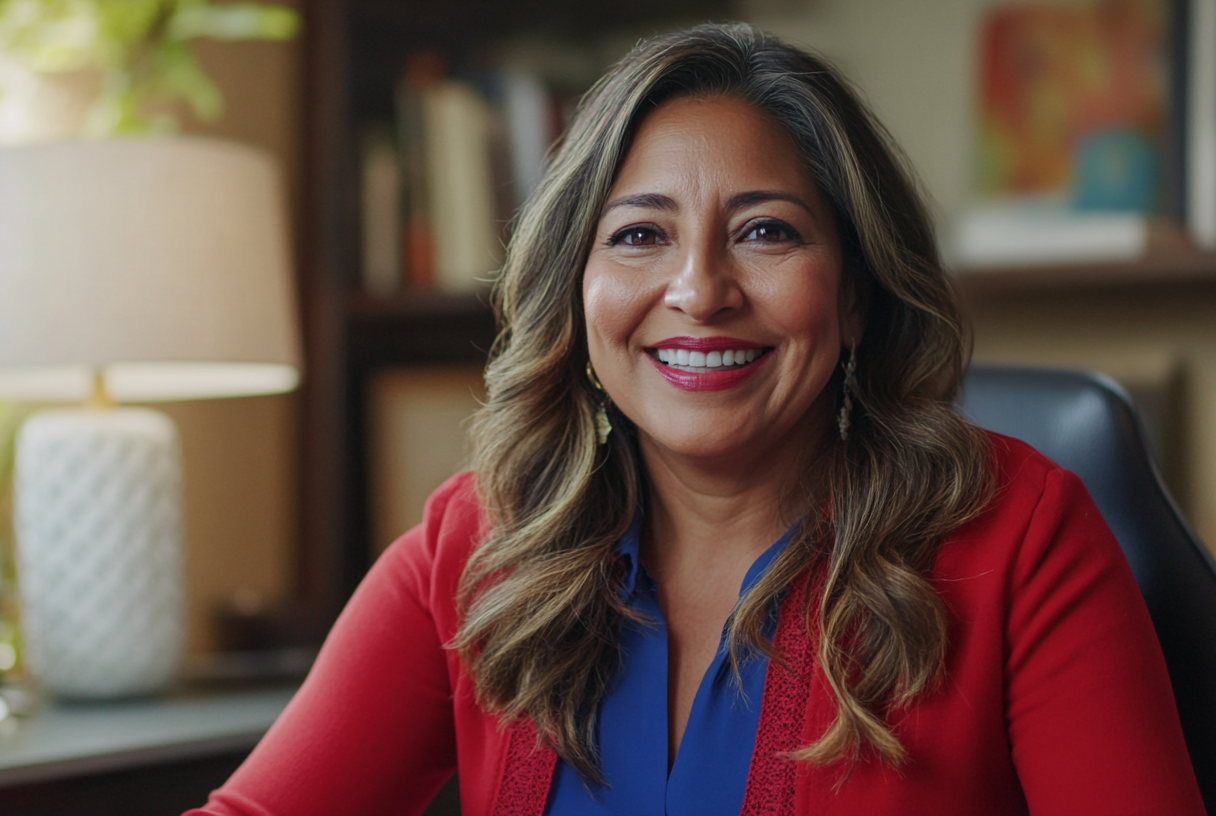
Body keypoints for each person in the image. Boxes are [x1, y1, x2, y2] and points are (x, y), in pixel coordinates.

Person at [187, 23, 1203, 816]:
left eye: (765, 231)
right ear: (576, 296)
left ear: (853, 295)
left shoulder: (1021, 539)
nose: (698, 289)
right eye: (638, 235)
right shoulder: (473, 550)